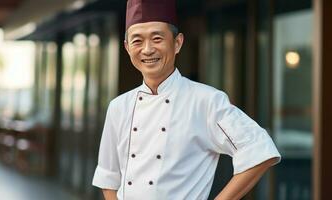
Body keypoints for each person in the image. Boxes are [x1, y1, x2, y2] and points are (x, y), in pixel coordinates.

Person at [92, 0, 281, 199]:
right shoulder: (118, 106)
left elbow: (259, 150)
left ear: (177, 43)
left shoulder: (206, 101)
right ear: (127, 47)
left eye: (157, 38)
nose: (147, 49)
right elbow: (109, 177)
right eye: (137, 41)